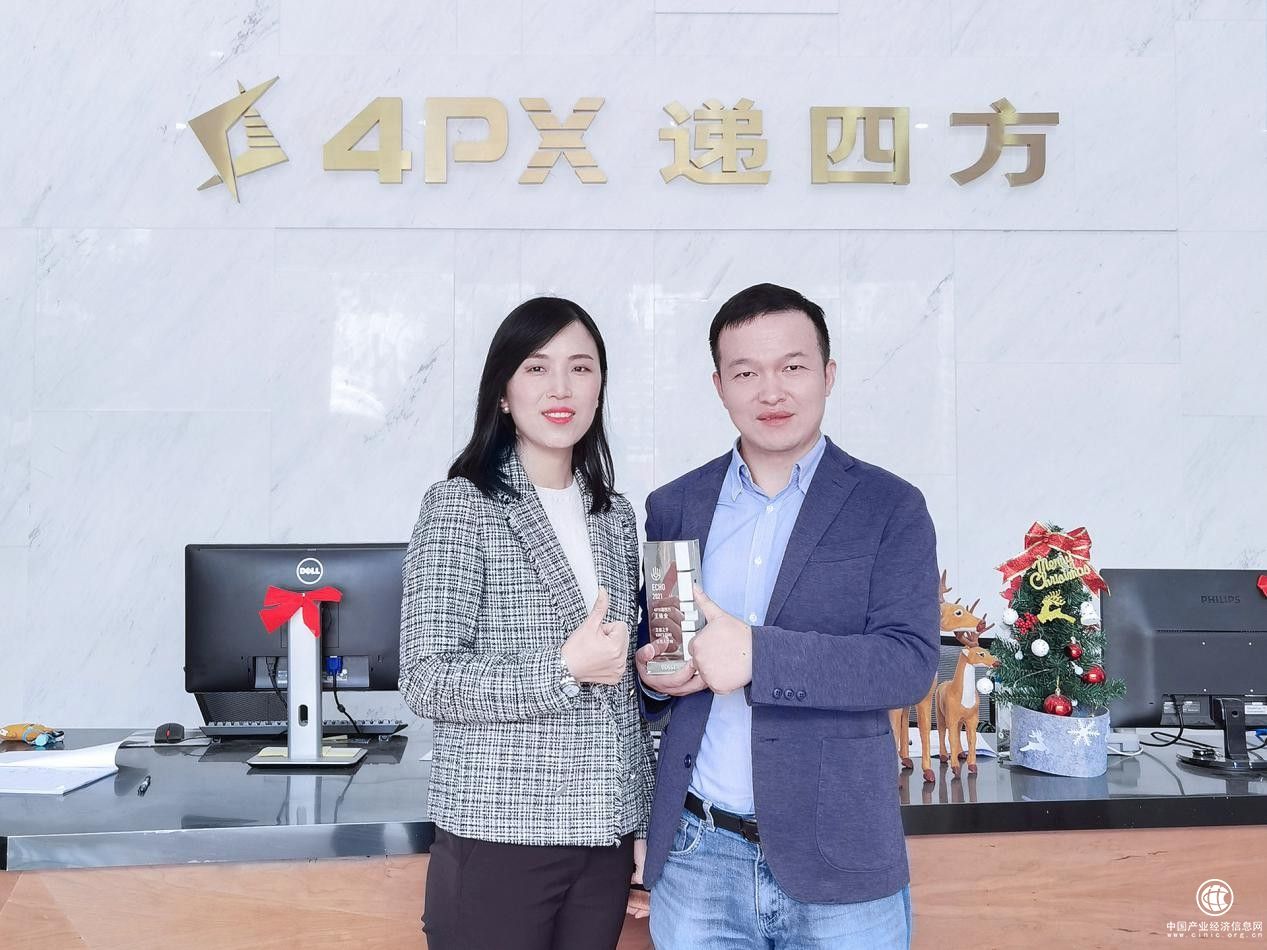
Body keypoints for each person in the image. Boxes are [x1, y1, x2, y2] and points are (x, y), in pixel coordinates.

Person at [636, 282, 940, 949]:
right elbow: (661, 650)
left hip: (841, 857)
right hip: (697, 854)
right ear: (719, 386)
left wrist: (758, 656)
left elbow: (908, 663)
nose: (770, 392)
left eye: (792, 367)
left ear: (827, 375)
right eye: (746, 372)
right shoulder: (674, 506)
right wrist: (656, 676)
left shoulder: (889, 506)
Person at [399, 297, 654, 950]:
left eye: (580, 368)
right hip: (499, 835)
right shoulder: (461, 505)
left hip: (602, 843)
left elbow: (620, 694)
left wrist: (641, 822)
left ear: (599, 387)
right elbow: (427, 678)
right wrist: (563, 670)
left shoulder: (614, 517)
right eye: (537, 368)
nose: (561, 388)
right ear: (503, 394)